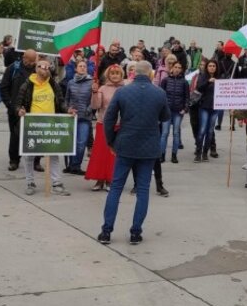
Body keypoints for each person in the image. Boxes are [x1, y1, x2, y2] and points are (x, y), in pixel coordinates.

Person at [97, 61, 170, 245]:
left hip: (125, 144)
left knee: (116, 188)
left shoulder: (122, 91)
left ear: (133, 73)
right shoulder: (159, 93)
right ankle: (136, 232)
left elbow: (109, 118)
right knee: (143, 190)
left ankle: (106, 231)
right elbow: (166, 117)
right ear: (151, 74)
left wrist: (111, 141)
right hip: (149, 146)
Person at [15, 58, 73, 196]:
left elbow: (61, 101)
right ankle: (30, 182)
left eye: (48, 67)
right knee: (28, 155)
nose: (45, 69)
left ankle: (56, 183)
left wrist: (68, 110)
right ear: (36, 68)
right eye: (42, 66)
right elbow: (17, 103)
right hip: (32, 125)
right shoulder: (27, 85)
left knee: (53, 154)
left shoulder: (53, 84)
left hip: (50, 124)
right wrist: (20, 110)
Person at [87, 64, 125, 192]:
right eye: (112, 73)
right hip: (103, 124)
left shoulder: (125, 89)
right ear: (108, 75)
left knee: (113, 154)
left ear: (121, 75)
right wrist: (94, 93)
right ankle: (99, 180)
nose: (115, 76)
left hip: (119, 125)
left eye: (117, 73)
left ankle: (110, 180)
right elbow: (95, 105)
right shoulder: (102, 88)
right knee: (100, 152)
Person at [2, 49, 38, 171]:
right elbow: (4, 87)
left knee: (35, 135)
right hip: (14, 109)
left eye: (34, 61)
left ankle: (36, 161)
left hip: (34, 109)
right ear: (24, 57)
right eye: (31, 61)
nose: (32, 63)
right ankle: (14, 160)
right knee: (15, 136)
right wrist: (9, 104)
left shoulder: (38, 69)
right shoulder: (13, 68)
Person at [63, 58, 94, 175]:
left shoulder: (92, 82)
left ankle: (76, 165)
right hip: (72, 116)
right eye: (80, 66)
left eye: (84, 66)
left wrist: (89, 109)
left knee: (81, 142)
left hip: (84, 117)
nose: (82, 68)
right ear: (76, 68)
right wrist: (67, 109)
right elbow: (66, 98)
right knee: (70, 142)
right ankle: (69, 165)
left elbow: (94, 100)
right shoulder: (71, 82)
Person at [159, 61, 189, 163]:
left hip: (178, 111)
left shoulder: (184, 82)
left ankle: (174, 155)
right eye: (175, 67)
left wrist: (185, 108)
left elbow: (187, 97)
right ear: (171, 68)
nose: (177, 69)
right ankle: (161, 155)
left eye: (179, 67)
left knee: (176, 133)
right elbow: (161, 95)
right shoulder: (165, 80)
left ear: (181, 70)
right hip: (166, 111)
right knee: (165, 133)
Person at [193, 59, 220, 162]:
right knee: (202, 130)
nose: (212, 67)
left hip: (215, 107)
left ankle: (205, 153)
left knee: (210, 131)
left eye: (214, 66)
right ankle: (198, 152)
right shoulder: (203, 76)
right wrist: (208, 82)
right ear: (207, 67)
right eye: (210, 66)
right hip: (204, 106)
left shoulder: (220, 77)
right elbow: (199, 88)